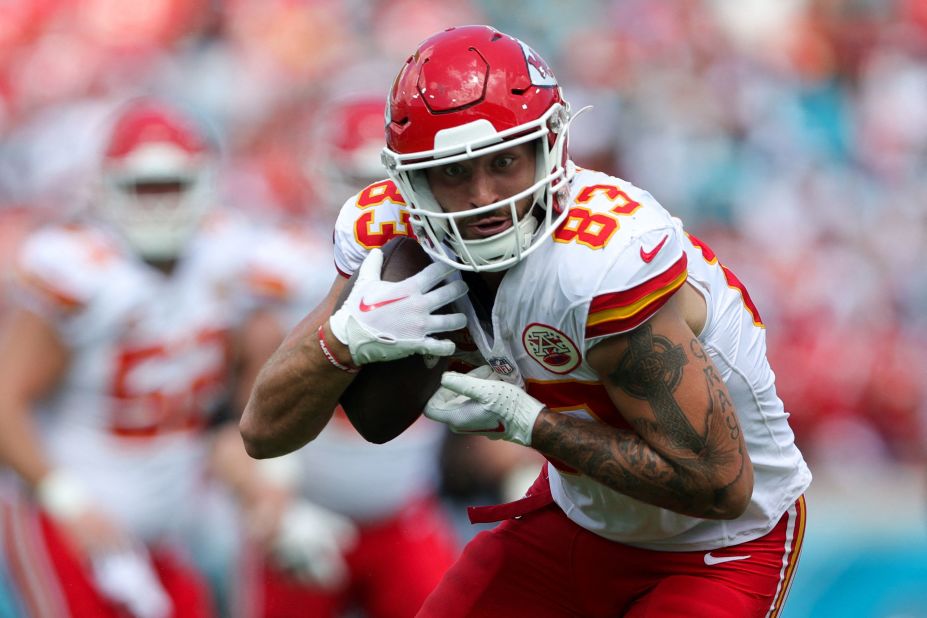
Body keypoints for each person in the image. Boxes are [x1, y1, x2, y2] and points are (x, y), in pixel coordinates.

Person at [240, 25, 811, 617]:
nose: (484, 197)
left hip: (723, 540)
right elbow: (268, 432)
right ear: (409, 178)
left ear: (550, 146)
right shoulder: (397, 237)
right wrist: (347, 338)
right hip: (583, 515)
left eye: (504, 161)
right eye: (453, 172)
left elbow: (721, 484)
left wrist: (531, 424)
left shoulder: (603, 263)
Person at [0, 96, 270, 618]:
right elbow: (4, 400)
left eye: (173, 186)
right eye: (142, 187)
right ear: (106, 189)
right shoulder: (78, 273)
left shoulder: (226, 258)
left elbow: (256, 364)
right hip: (70, 527)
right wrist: (68, 501)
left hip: (164, 530)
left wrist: (256, 465)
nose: (159, 204)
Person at [214, 90, 461, 618]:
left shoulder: (456, 258)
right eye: (358, 183)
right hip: (305, 511)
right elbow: (236, 425)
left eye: (390, 186)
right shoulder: (286, 267)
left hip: (404, 513)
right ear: (324, 176)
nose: (378, 204)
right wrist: (273, 507)